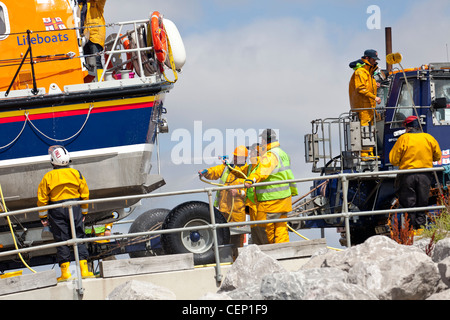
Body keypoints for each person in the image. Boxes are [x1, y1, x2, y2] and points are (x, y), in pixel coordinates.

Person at [37, 145, 94, 281]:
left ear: (52, 161)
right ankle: (84, 270)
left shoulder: (48, 177)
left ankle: (65, 273)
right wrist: (84, 212)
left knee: (62, 240)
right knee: (79, 237)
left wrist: (43, 216)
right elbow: (85, 194)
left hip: (56, 210)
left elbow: (42, 198)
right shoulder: (76, 173)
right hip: (75, 208)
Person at [244, 129, 298, 244]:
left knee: (265, 228)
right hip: (284, 199)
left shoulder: (270, 155)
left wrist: (251, 179)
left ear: (264, 140)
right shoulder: (283, 154)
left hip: (271, 200)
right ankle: (283, 252)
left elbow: (262, 171)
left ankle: (270, 253)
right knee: (281, 228)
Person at [389, 116, 442, 230]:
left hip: (407, 175)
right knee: (422, 202)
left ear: (407, 127)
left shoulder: (403, 139)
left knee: (409, 203)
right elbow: (437, 156)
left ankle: (412, 230)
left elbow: (393, 160)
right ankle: (421, 228)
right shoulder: (428, 138)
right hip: (425, 175)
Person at [199, 146, 249, 254]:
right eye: (234, 156)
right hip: (223, 211)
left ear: (244, 158)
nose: (234, 159)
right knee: (221, 237)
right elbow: (215, 171)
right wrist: (206, 172)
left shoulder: (247, 171)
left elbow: (251, 191)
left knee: (236, 240)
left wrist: (239, 192)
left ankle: (236, 260)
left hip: (237, 213)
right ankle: (223, 260)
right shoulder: (227, 168)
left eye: (237, 157)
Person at [349, 49, 382, 158]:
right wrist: (375, 97)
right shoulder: (361, 72)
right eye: (373, 59)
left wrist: (374, 84)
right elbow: (361, 89)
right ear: (367, 58)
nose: (374, 62)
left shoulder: (368, 72)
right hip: (363, 107)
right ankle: (365, 154)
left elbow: (366, 85)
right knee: (365, 129)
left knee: (369, 130)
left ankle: (369, 153)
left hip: (369, 108)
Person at [244, 143, 269, 245]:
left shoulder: (261, 165)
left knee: (264, 236)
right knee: (256, 237)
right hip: (253, 208)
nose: (250, 154)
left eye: (252, 151)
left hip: (261, 207)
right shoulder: (250, 167)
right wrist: (228, 165)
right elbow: (238, 170)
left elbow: (259, 176)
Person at [79, 0, 107, 80]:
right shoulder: (80, 3)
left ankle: (100, 82)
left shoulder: (97, 3)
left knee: (96, 61)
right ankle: (90, 81)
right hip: (83, 36)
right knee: (85, 62)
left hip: (95, 35)